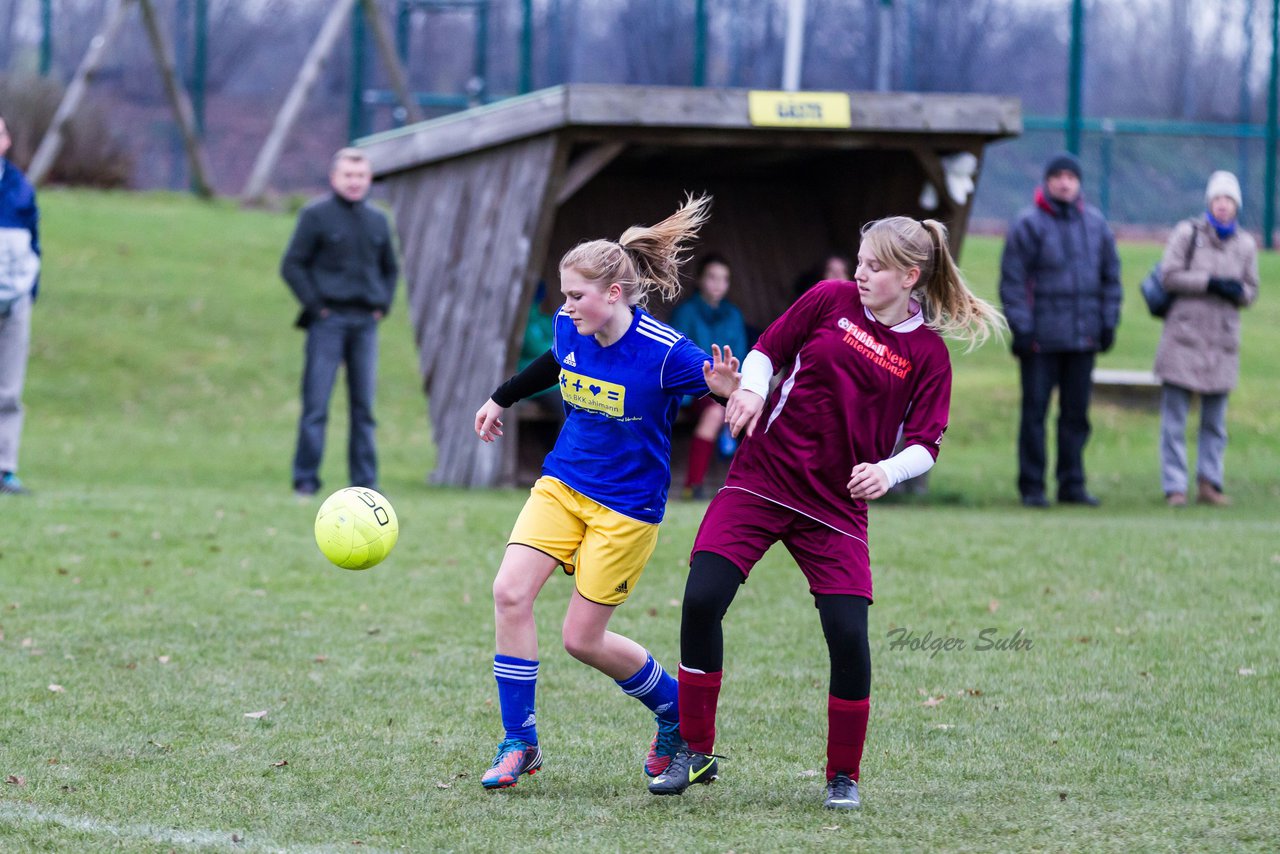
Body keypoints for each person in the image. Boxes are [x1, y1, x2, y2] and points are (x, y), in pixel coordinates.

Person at [647, 217, 1003, 809]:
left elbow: (926, 443)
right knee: (702, 598)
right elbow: (768, 350)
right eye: (860, 261)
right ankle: (694, 748)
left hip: (836, 505)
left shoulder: (927, 353)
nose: (859, 274)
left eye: (874, 267)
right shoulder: (829, 299)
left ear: (911, 277)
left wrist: (887, 472)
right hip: (763, 477)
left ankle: (844, 776)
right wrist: (754, 390)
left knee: (847, 636)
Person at [472, 196, 740, 790]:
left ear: (615, 293)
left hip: (627, 509)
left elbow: (722, 385)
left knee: (581, 640)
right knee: (509, 593)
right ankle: (520, 742)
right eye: (564, 294)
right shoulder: (573, 327)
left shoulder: (666, 352)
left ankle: (676, 710)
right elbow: (553, 360)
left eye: (576, 295)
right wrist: (501, 397)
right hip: (563, 485)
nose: (565, 307)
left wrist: (723, 390)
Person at [999, 151, 1122, 508]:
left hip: (1083, 339)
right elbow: (1013, 281)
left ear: (1079, 182)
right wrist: (1021, 328)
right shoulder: (1028, 225)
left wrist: (1108, 322)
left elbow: (1111, 279)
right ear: (1047, 181)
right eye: (1058, 176)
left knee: (1076, 416)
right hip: (1040, 340)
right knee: (1034, 414)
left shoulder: (1096, 225)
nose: (1065, 182)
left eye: (1071, 176)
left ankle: (1072, 484)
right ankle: (1032, 486)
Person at [281, 148, 399, 498]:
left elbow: (390, 270)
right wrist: (317, 308)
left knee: (364, 408)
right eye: (348, 175)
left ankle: (365, 483)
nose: (354, 182)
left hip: (366, 323)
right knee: (316, 404)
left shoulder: (378, 220)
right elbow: (292, 265)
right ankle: (305, 480)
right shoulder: (315, 215)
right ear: (335, 178)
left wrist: (383, 305)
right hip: (327, 322)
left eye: (361, 176)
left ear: (369, 180)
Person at [1154, 170, 1258, 507]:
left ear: (1237, 205)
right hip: (1183, 339)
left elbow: (1251, 289)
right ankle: (1175, 486)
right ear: (1209, 203)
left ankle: (1209, 482)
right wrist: (1209, 282)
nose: (1223, 205)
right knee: (1175, 421)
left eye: (1229, 200)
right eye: (1218, 199)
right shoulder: (1188, 234)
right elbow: (1168, 275)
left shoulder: (1245, 244)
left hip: (1221, 343)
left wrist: (1236, 291)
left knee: (1215, 422)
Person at [670, 253, 749, 498]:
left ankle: (751, 489)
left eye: (724, 279)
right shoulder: (686, 312)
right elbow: (677, 356)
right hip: (696, 388)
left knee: (756, 414)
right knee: (716, 413)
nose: (718, 284)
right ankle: (692, 486)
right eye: (712, 277)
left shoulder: (734, 314)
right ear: (700, 280)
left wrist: (738, 389)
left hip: (730, 387)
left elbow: (743, 356)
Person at [0, 115, 41, 496]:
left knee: (9, 390)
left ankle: (4, 468)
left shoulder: (18, 189)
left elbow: (34, 242)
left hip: (14, 302)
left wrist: (31, 291)